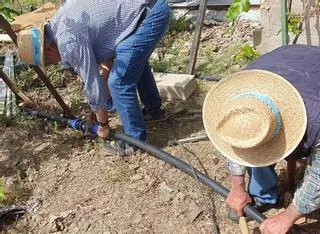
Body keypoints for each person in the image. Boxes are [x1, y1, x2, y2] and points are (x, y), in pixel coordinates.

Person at [17, 0, 170, 155]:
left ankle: (134, 142)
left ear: (48, 49)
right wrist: (105, 98)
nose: (53, 64)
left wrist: (103, 124)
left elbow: (92, 83)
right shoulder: (59, 22)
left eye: (47, 62)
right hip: (145, 11)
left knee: (118, 83)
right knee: (131, 62)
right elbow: (107, 55)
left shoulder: (68, 43)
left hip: (148, 15)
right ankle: (154, 111)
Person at [202, 44, 320, 234]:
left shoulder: (317, 117)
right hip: (289, 59)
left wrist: (288, 217)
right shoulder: (240, 95)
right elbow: (238, 140)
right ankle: (264, 196)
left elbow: (318, 176)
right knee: (256, 140)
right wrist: (237, 187)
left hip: (313, 86)